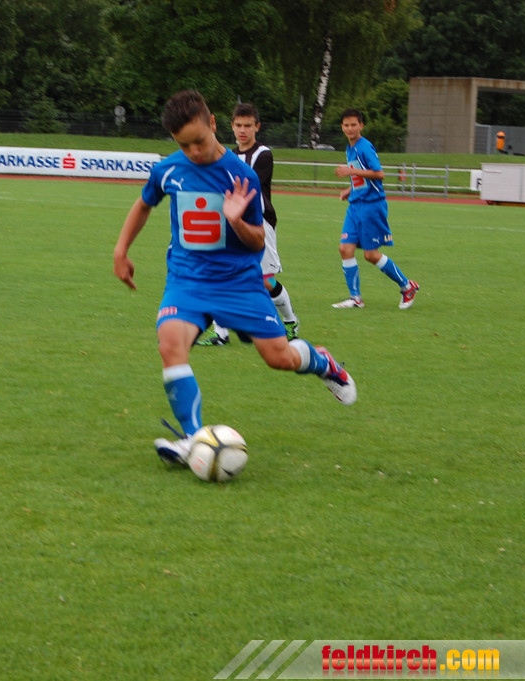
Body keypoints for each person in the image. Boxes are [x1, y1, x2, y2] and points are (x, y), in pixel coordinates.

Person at [113, 90, 356, 466]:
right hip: (187, 281)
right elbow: (144, 203)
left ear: (212, 124)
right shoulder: (168, 169)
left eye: (199, 141)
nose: (193, 151)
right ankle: (192, 437)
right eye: (183, 145)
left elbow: (258, 240)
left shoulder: (241, 176)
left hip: (239, 283)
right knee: (170, 345)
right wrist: (121, 250)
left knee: (279, 358)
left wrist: (236, 219)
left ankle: (323, 362)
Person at [196, 102, 300, 346]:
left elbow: (246, 184)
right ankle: (220, 333)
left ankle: (290, 322)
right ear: (232, 126)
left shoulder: (263, 154)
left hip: (259, 222)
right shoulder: (229, 155)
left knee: (266, 281)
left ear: (257, 127)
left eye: (248, 126)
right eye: (239, 125)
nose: (243, 130)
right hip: (231, 222)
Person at [332, 109, 419, 310]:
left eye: (354, 124)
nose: (350, 128)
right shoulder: (350, 148)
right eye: (346, 125)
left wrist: (350, 171)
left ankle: (407, 287)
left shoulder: (364, 147)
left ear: (361, 126)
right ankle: (355, 298)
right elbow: (361, 178)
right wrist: (350, 189)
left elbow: (379, 174)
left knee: (370, 255)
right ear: (342, 127)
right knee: (345, 249)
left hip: (371, 206)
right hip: (356, 205)